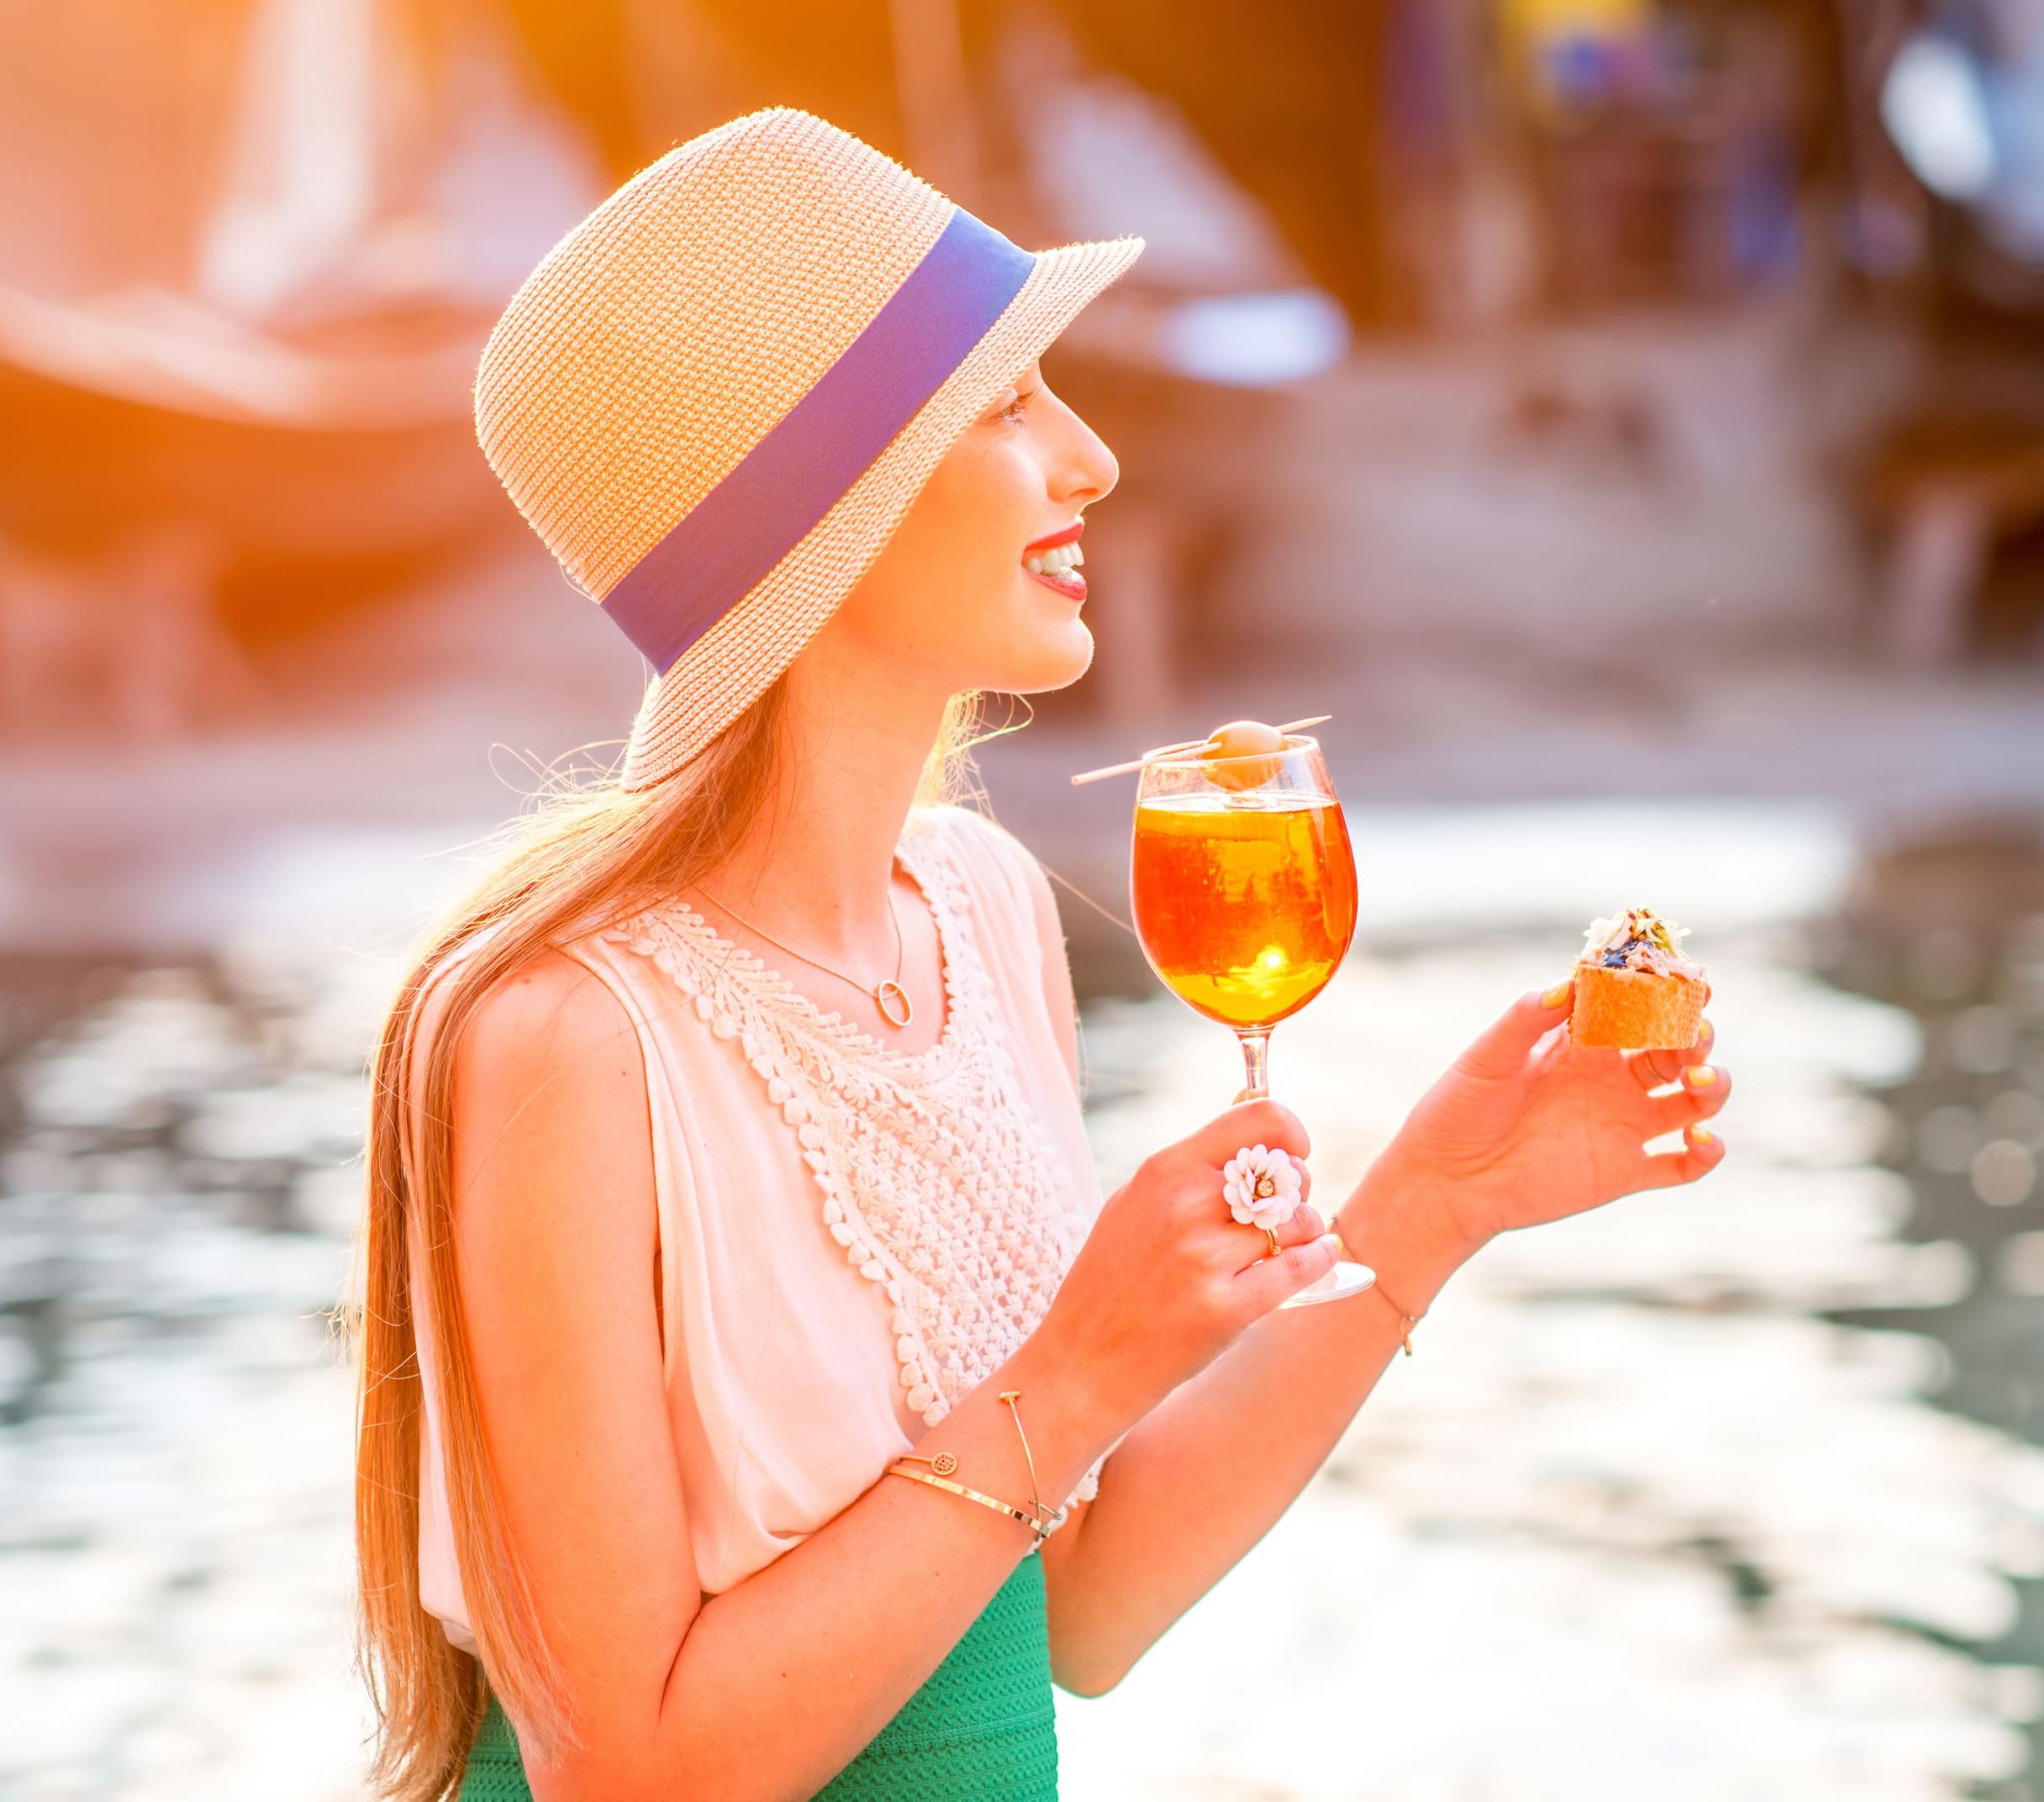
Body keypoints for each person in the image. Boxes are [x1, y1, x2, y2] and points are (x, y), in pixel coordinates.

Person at [350, 109, 1731, 1801]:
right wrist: (1068, 1370)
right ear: (828, 509)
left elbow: (1077, 1600)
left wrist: (1430, 1206)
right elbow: (627, 1776)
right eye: (1005, 399)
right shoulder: (565, 1039)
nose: (1090, 457)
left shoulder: (984, 906)